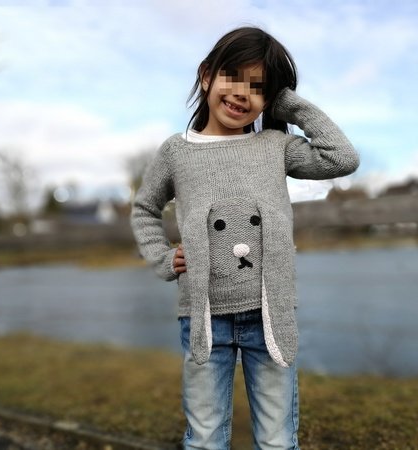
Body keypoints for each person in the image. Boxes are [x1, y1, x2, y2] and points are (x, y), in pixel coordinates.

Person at [131, 26, 359, 450]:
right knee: (204, 438)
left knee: (276, 439)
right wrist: (163, 258)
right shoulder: (176, 152)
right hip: (204, 318)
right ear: (206, 75)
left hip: (270, 316)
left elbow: (341, 158)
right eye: (233, 76)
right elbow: (144, 208)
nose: (242, 93)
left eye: (258, 87)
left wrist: (288, 103)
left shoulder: (275, 146)